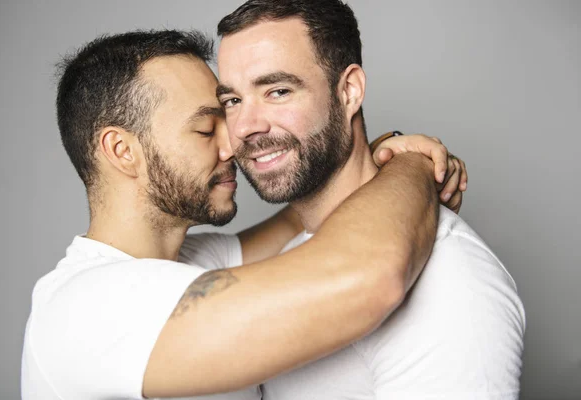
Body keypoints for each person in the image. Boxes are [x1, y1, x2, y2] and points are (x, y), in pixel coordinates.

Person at [21, 30, 467, 399]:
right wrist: (413, 166)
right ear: (121, 151)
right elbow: (367, 273)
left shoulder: (190, 263)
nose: (234, 145)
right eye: (203, 128)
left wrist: (379, 150)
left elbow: (309, 215)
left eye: (225, 117)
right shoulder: (90, 308)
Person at [200, 0, 526, 398]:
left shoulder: (452, 277)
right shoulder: (291, 257)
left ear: (350, 91)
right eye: (233, 101)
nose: (247, 127)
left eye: (278, 91)